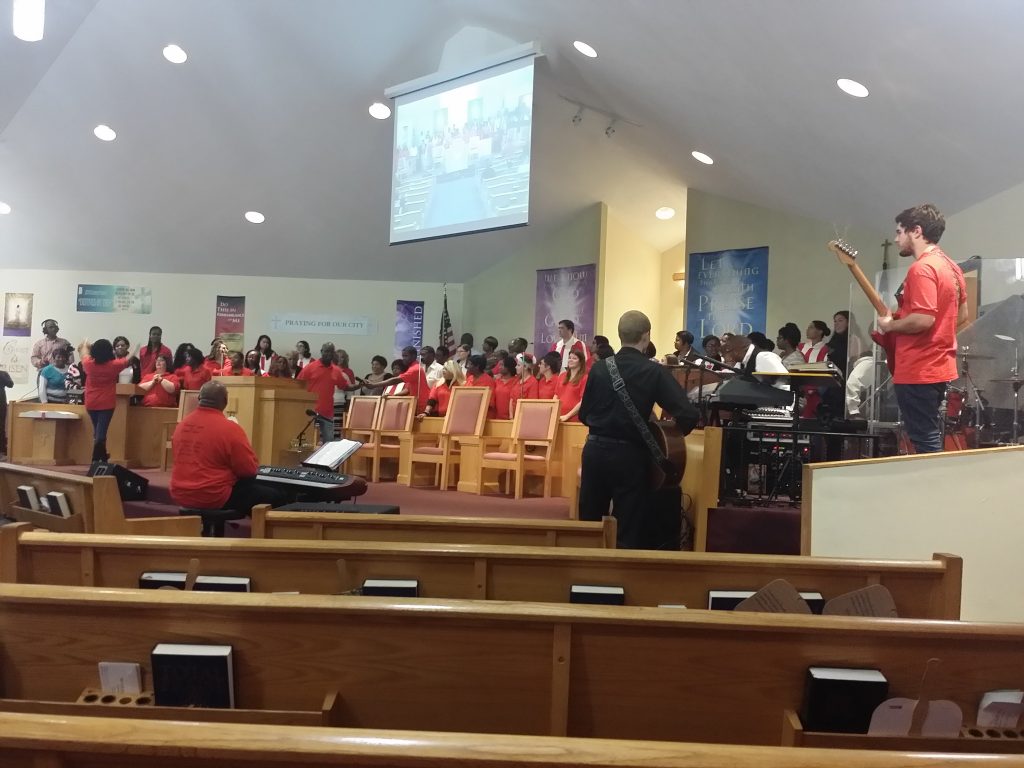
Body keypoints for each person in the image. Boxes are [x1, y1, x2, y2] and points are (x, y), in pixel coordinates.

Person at [578, 310, 699, 549]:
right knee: (627, 526)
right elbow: (688, 414)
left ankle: (585, 577)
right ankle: (622, 579)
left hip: (594, 451)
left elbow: (584, 415)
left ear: (619, 335)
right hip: (629, 456)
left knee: (589, 524)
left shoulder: (600, 369)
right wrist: (667, 437)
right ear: (646, 336)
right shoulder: (653, 371)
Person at [876, 203, 967, 453]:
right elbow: (962, 315)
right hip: (938, 366)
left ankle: (934, 490)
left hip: (918, 367)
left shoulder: (922, 267)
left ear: (916, 231)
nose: (896, 239)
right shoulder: (952, 267)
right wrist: (938, 335)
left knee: (924, 438)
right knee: (928, 433)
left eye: (899, 232)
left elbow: (923, 319)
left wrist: (890, 324)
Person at [170, 381, 288, 514]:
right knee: (276, 495)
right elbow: (248, 470)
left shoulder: (181, 425)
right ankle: (261, 533)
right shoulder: (229, 428)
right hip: (213, 495)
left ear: (199, 398)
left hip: (180, 492)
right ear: (225, 401)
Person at [78, 338, 131, 462]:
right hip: (106, 403)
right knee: (101, 433)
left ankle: (102, 456)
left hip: (91, 402)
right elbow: (128, 359)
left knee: (98, 431)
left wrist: (86, 343)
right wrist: (134, 350)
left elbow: (84, 352)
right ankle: (96, 458)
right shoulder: (113, 366)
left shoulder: (88, 365)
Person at [297, 342, 352, 444]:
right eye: (326, 351)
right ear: (321, 352)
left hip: (327, 413)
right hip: (310, 411)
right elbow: (298, 384)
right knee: (308, 442)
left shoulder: (336, 370)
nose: (328, 354)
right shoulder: (310, 367)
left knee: (329, 443)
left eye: (331, 352)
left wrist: (361, 385)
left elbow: (345, 386)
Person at [720, 334, 790, 391]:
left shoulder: (764, 356)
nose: (728, 355)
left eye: (730, 351)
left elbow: (783, 384)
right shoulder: (746, 362)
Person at [556, 348, 587, 422]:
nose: (570, 360)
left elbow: (583, 401)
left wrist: (567, 416)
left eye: (574, 358)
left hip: (574, 418)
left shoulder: (584, 378)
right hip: (558, 416)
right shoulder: (562, 376)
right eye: (569, 358)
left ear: (580, 362)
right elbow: (556, 396)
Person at [508, 353, 539, 417]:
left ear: (525, 367)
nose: (516, 367)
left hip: (524, 415)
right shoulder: (516, 380)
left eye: (518, 365)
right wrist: (511, 416)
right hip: (513, 415)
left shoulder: (533, 382)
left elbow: (531, 403)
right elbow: (511, 399)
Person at [492, 356, 517, 420]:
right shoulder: (496, 381)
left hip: (511, 418)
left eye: (502, 365)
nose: (499, 367)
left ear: (508, 367)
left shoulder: (517, 381)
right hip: (497, 418)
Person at [0, 367, 12, 457]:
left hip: (1, 402)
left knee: (1, 426)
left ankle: (2, 449)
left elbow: (10, 384)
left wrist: (2, 375)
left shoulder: (3, 374)